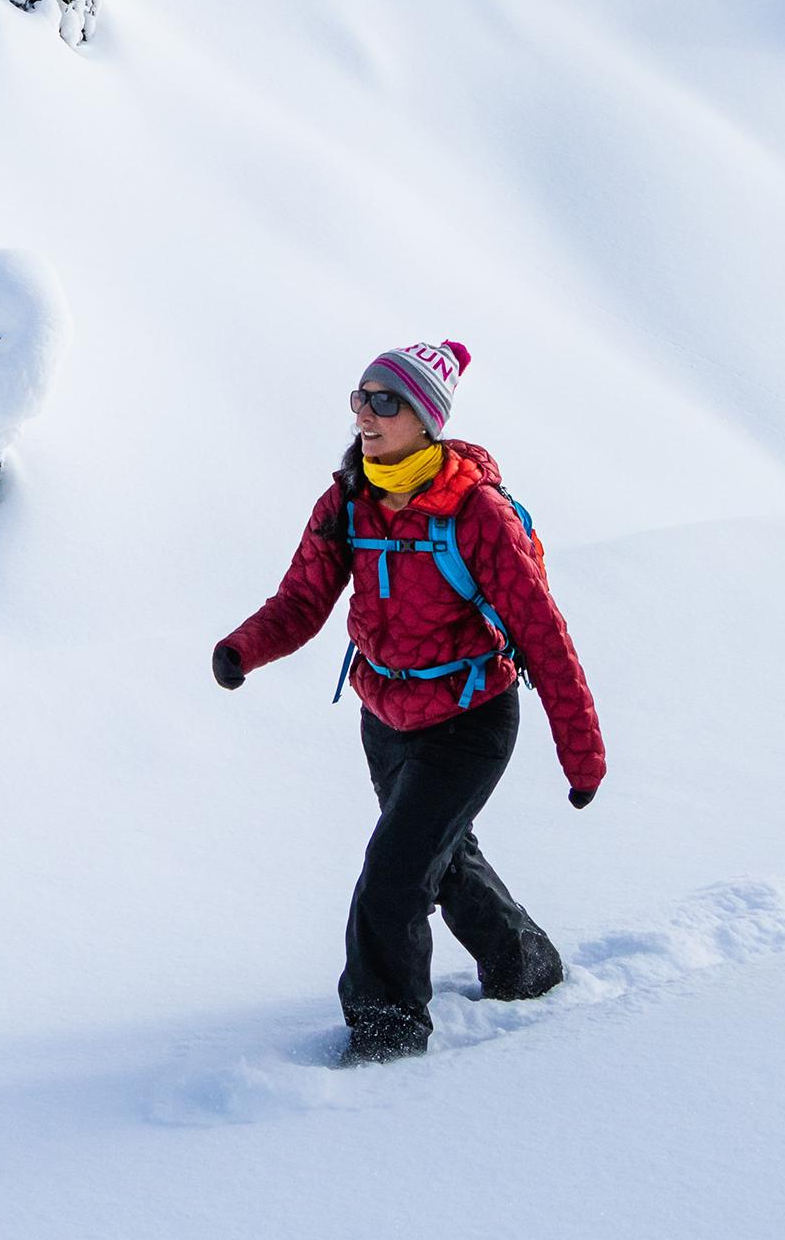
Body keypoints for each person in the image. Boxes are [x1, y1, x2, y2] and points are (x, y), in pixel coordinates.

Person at [212, 340, 605, 1066]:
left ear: (426, 418)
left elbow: (544, 636)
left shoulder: (476, 513)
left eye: (384, 400)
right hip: (385, 719)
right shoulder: (349, 498)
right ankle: (527, 966)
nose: (364, 412)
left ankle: (387, 1030)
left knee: (393, 876)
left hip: (470, 720)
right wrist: (243, 649)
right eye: (360, 396)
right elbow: (303, 599)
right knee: (443, 858)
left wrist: (582, 757)